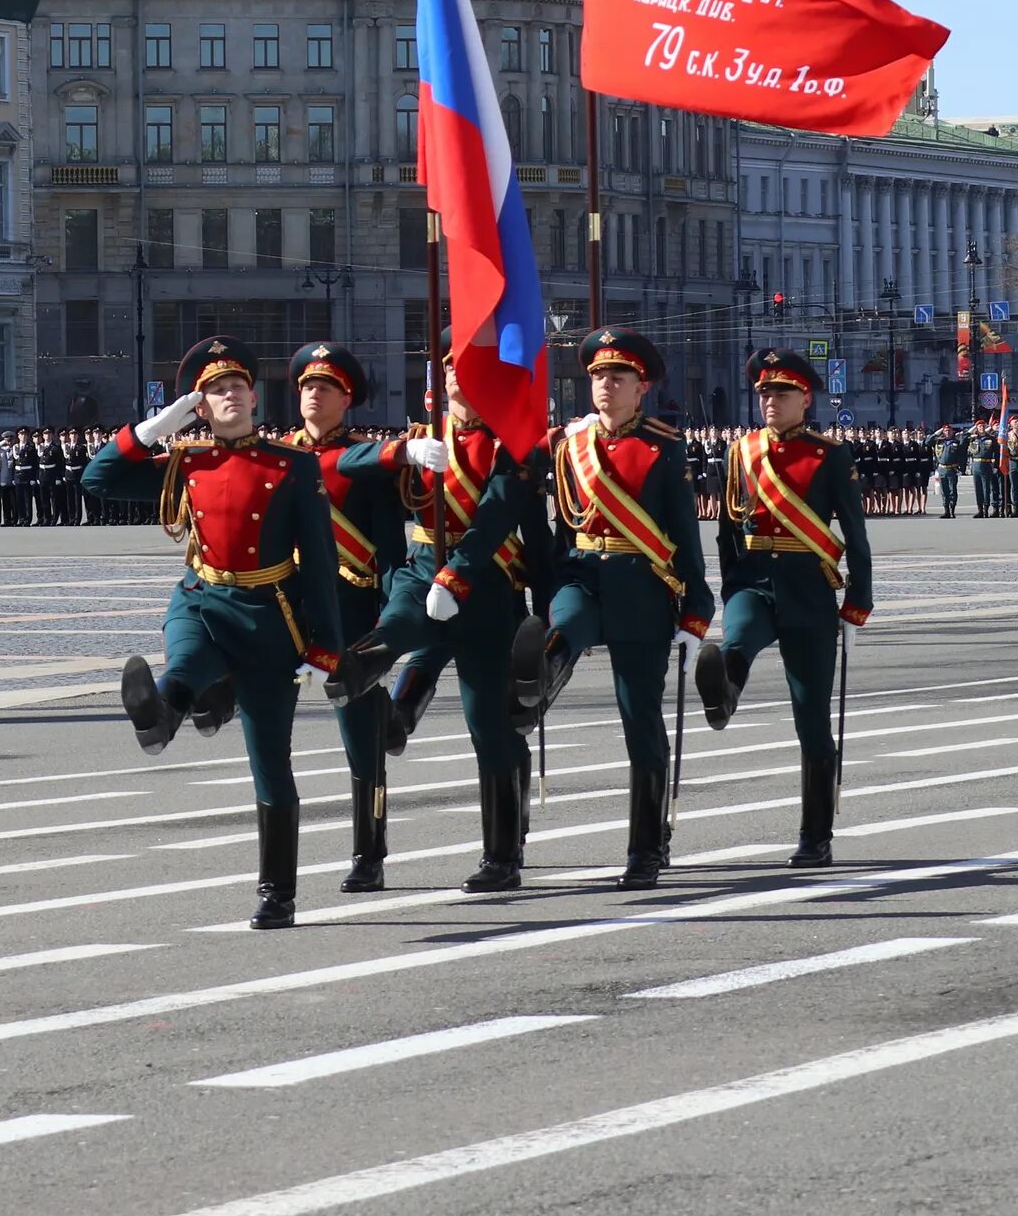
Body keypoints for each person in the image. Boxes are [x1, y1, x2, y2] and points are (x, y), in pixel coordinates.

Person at [91, 336, 343, 930]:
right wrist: (156, 426)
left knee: (270, 763)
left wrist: (324, 646)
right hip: (202, 597)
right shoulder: (188, 461)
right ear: (200, 406)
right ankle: (162, 709)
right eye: (213, 391)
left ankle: (277, 891)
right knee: (183, 658)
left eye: (235, 387)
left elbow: (322, 560)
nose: (227, 396)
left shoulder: (292, 464)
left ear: (254, 397)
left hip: (268, 614)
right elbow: (98, 480)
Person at [333, 363, 546, 893]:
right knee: (397, 626)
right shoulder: (421, 439)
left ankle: (502, 855)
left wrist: (536, 609)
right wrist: (400, 453)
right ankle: (360, 678)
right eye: (452, 368)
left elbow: (497, 520)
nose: (461, 378)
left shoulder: (512, 446)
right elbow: (333, 462)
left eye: (470, 368)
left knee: (489, 727)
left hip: (489, 589)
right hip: (423, 567)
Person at [518, 330, 714, 889]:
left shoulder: (663, 447)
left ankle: (647, 846)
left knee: (640, 719)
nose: (606, 385)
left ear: (641, 387)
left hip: (642, 585)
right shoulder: (567, 444)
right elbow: (551, 514)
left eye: (618, 378)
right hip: (581, 572)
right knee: (565, 625)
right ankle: (536, 685)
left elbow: (683, 533)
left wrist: (695, 612)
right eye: (599, 377)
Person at [693, 349, 876, 868]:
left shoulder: (830, 455)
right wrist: (731, 586)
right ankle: (723, 694)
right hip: (754, 581)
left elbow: (856, 537)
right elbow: (728, 528)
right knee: (737, 639)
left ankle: (815, 835)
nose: (770, 401)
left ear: (805, 399)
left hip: (809, 588)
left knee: (811, 717)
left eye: (781, 393)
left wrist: (857, 604)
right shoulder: (740, 451)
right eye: (765, 394)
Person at [289, 340, 410, 892]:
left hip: (350, 607)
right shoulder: (279, 455)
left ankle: (369, 852)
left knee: (358, 741)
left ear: (347, 399)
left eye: (326, 387)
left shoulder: (366, 461)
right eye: (307, 386)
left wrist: (389, 617)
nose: (314, 393)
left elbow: (388, 547)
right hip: (287, 605)